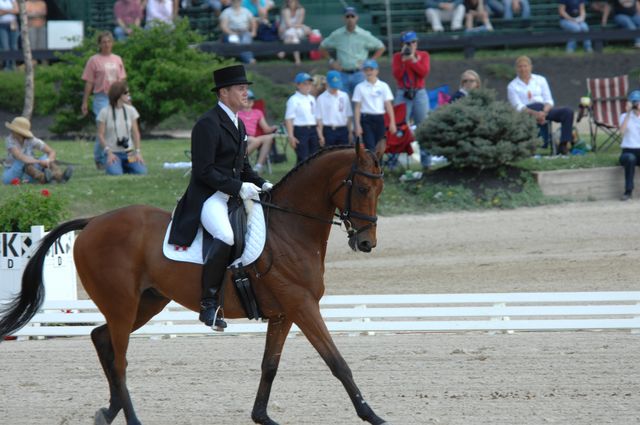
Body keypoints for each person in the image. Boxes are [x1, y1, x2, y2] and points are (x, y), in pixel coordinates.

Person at [168, 64, 271, 330]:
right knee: (225, 236)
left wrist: (263, 183)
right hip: (209, 196)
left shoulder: (238, 123)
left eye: (246, 88)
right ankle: (209, 305)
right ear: (224, 93)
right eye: (240, 89)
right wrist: (237, 187)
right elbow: (204, 171)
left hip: (233, 195)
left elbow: (244, 167)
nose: (246, 93)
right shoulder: (207, 124)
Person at [507, 56, 575, 154]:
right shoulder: (512, 86)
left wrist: (543, 113)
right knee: (535, 106)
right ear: (516, 69)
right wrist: (535, 114)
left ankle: (563, 145)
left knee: (567, 112)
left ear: (530, 67)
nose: (523, 69)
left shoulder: (540, 80)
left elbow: (549, 100)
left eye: (525, 66)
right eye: (520, 67)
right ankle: (538, 145)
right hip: (527, 112)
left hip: (544, 109)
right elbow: (518, 106)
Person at [81, 31, 127, 169]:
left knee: (116, 127)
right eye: (104, 42)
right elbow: (89, 82)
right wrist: (85, 101)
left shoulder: (117, 59)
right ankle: (100, 157)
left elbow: (122, 80)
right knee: (104, 128)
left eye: (109, 41)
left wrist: (126, 96)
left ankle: (115, 156)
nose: (106, 44)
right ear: (99, 44)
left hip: (116, 97)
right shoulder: (94, 60)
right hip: (101, 97)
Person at [319, 6, 385, 97]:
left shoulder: (364, 34)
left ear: (356, 17)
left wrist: (369, 62)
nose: (350, 19)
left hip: (359, 73)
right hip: (342, 73)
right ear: (343, 18)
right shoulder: (337, 34)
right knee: (341, 102)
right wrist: (331, 61)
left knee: (360, 102)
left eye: (352, 16)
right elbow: (322, 47)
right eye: (347, 16)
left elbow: (381, 47)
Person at [3, 116, 73, 185]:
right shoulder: (10, 140)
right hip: (13, 172)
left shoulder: (31, 140)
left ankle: (59, 177)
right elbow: (20, 157)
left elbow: (51, 151)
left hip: (30, 173)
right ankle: (44, 178)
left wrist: (48, 160)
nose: (11, 130)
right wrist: (39, 162)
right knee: (22, 162)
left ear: (19, 132)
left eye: (13, 129)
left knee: (46, 157)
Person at [96, 81, 147, 176]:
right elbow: (100, 135)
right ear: (118, 95)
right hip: (113, 153)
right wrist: (109, 152)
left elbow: (136, 132)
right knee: (115, 173)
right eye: (126, 93)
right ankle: (117, 165)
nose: (129, 95)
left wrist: (138, 152)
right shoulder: (104, 112)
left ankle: (124, 165)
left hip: (129, 152)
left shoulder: (131, 110)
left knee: (141, 172)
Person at [352, 59, 396, 152]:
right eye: (366, 70)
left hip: (380, 118)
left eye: (371, 69)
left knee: (380, 147)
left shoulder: (383, 86)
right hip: (366, 119)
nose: (369, 72)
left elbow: (388, 105)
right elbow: (357, 108)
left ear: (376, 71)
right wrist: (357, 125)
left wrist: (392, 122)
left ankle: (378, 166)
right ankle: (371, 166)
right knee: (370, 147)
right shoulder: (359, 87)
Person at [391, 30, 431, 128]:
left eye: (414, 42)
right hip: (403, 92)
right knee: (400, 123)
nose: (412, 45)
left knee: (423, 123)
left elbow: (423, 73)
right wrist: (403, 61)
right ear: (403, 44)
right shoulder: (397, 57)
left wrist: (413, 60)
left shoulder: (423, 55)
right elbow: (397, 76)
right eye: (408, 43)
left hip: (419, 92)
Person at [237, 89, 277, 173]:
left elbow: (266, 129)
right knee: (255, 140)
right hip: (241, 137)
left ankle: (258, 166)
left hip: (253, 137)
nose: (250, 101)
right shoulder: (237, 113)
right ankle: (239, 161)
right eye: (247, 99)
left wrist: (273, 128)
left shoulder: (258, 112)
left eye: (251, 99)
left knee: (269, 137)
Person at [285, 72, 319, 163]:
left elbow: (315, 116)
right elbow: (289, 119)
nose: (308, 86)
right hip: (300, 130)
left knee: (315, 156)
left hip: (312, 129)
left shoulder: (312, 98)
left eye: (309, 84)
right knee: (303, 157)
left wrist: (318, 132)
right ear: (298, 85)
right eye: (305, 84)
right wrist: (291, 136)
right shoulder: (293, 100)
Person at [316, 70, 353, 147]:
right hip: (329, 130)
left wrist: (350, 132)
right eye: (333, 87)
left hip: (343, 129)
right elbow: (319, 119)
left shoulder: (344, 96)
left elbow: (348, 116)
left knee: (344, 153)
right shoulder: (321, 98)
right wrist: (320, 135)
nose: (335, 89)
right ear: (328, 84)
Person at [618, 90, 640, 200]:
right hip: (628, 151)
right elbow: (621, 132)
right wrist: (628, 114)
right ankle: (628, 191)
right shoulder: (624, 116)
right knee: (630, 159)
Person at [278, 0, 311, 65]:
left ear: (296, 1)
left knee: (292, 33)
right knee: (293, 35)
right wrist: (303, 26)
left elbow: (299, 23)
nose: (290, 2)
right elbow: (288, 25)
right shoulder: (285, 10)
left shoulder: (301, 10)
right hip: (285, 31)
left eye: (292, 1)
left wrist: (300, 25)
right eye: (288, 1)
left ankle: (283, 51)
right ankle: (297, 60)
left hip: (297, 31)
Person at [0, 0, 18, 71]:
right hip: (2, 25)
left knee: (13, 45)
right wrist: (11, 11)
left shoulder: (12, 0)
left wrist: (4, 11)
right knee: (5, 46)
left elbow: (17, 10)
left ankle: (13, 64)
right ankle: (7, 65)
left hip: (13, 24)